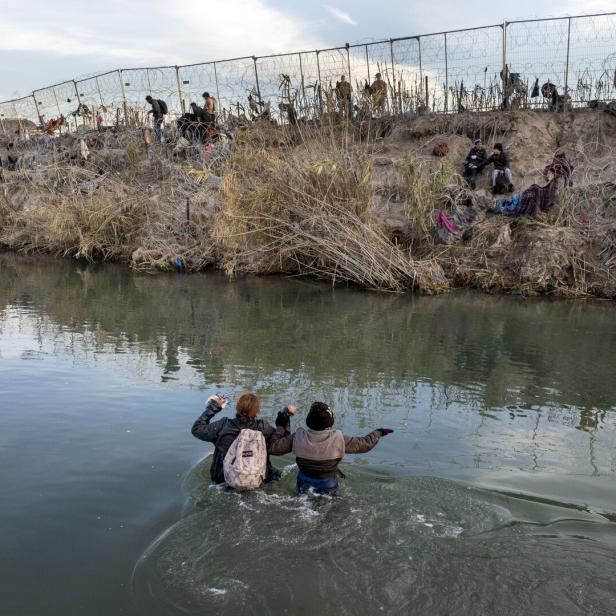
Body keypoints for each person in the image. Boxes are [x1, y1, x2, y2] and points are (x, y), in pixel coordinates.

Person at [268, 401, 394, 496]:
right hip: (328, 484)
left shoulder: (297, 437)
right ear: (330, 422)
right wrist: (379, 432)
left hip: (303, 482)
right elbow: (365, 444)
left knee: (304, 504)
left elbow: (274, 447)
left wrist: (284, 417)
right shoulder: (338, 438)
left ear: (308, 421)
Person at [191, 392, 297, 485]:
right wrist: (285, 415)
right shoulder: (264, 429)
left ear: (237, 408)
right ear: (257, 412)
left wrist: (213, 407)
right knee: (274, 475)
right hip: (259, 479)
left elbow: (197, 429)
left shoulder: (221, 427)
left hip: (225, 479)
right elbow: (282, 445)